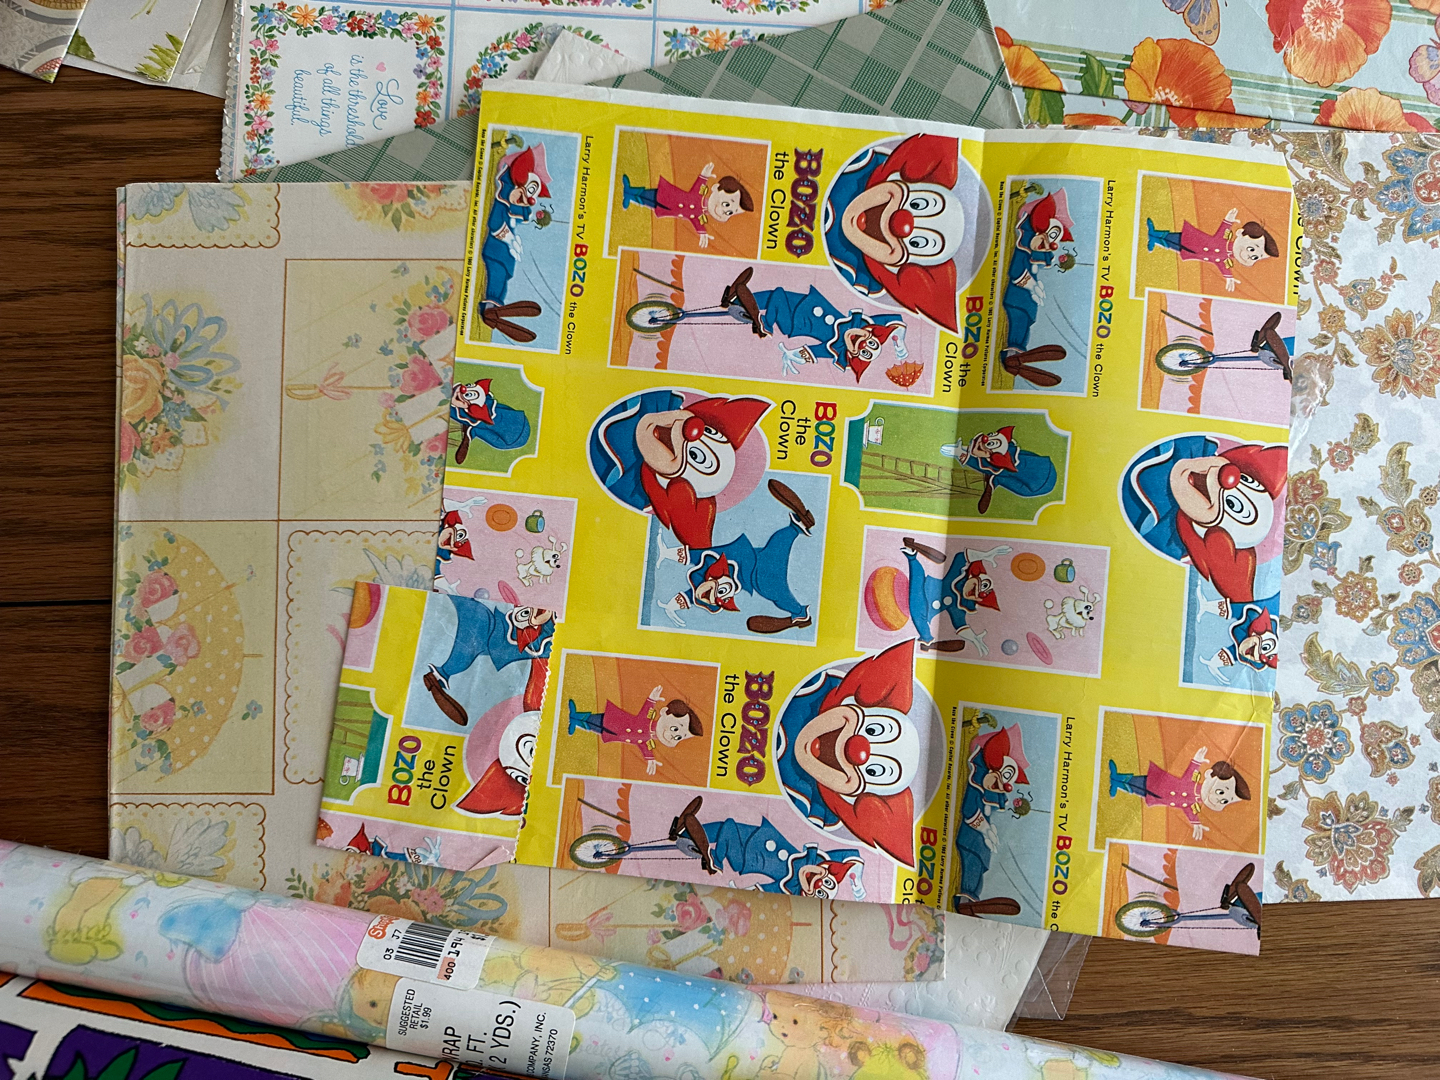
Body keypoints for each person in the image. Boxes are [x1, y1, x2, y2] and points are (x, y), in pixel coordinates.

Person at [657, 478, 817, 635]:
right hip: (764, 580)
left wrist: (666, 553)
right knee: (779, 580)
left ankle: (798, 527)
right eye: (721, 596)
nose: (721, 593)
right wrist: (670, 607)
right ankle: (799, 614)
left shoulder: (714, 561)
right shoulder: (720, 571)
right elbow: (692, 595)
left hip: (763, 562)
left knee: (780, 542)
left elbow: (694, 557)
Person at [720, 269, 907, 381]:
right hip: (805, 302)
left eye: (865, 352)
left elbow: (811, 352)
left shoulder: (835, 348)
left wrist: (791, 355)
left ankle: (765, 325)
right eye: (872, 343)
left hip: (796, 322)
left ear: (855, 356)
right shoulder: (859, 325)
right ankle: (734, 299)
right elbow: (896, 321)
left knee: (777, 295)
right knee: (770, 296)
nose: (864, 344)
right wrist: (899, 343)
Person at [1107, 746, 1250, 841]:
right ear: (1209, 775)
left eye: (1225, 801)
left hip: (1160, 797)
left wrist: (1195, 823)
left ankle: (1117, 784)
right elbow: (1189, 775)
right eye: (1220, 792)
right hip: (1159, 783)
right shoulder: (1194, 783)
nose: (1218, 800)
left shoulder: (1195, 802)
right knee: (1138, 782)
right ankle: (1117, 777)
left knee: (1137, 790)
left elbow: (1187, 808)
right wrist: (1196, 762)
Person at [901, 538, 1010, 653]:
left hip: (923, 610)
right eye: (981, 586)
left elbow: (961, 625)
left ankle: (928, 641)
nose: (980, 593)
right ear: (972, 576)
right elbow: (961, 557)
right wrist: (984, 555)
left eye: (981, 596)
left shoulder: (959, 608)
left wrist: (974, 638)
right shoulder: (956, 576)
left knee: (921, 621)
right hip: (922, 585)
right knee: (918, 574)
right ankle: (911, 554)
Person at [566, 686, 702, 775]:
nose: (673, 736)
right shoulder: (649, 720)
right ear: (665, 712)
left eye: (679, 737)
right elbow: (645, 712)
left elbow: (643, 744)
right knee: (594, 719)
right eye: (675, 729)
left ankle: (576, 723)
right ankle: (575, 715)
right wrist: (651, 699)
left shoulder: (650, 738)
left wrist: (650, 759)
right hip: (615, 721)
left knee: (594, 728)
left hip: (616, 734)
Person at [621, 163, 752, 248]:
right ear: (716, 188)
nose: (724, 211)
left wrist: (702, 232)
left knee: (648, 203)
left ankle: (630, 197)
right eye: (726, 204)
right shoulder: (700, 195)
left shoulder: (702, 213)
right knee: (648, 194)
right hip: (668, 196)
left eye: (730, 213)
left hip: (669, 209)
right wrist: (704, 176)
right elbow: (698, 188)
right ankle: (629, 189)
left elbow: (695, 219)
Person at [1146, 209, 1278, 293]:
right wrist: (1228, 221)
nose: (1250, 256)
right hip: (1193, 240)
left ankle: (1155, 240)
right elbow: (1222, 231)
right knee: (1173, 237)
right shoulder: (1225, 240)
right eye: (1251, 249)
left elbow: (1222, 265)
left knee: (1172, 245)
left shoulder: (1227, 258)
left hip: (1194, 253)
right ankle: (1154, 233)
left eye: (1255, 257)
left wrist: (1229, 277)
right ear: (1240, 233)